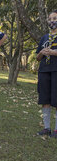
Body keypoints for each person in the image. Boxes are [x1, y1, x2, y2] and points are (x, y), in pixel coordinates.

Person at [36, 10, 57, 138]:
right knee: (45, 99)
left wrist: (53, 52)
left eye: (55, 18)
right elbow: (37, 57)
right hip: (44, 71)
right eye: (50, 19)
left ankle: (56, 130)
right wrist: (42, 53)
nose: (52, 21)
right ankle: (46, 128)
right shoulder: (45, 37)